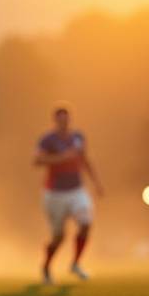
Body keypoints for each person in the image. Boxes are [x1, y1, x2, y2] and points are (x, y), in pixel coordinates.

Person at [34, 105, 103, 284]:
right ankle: (47, 267)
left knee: (86, 223)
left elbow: (84, 159)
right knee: (58, 236)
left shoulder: (78, 137)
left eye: (66, 118)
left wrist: (96, 182)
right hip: (54, 193)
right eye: (60, 119)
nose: (64, 122)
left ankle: (75, 263)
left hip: (76, 189)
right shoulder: (48, 140)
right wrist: (62, 157)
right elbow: (37, 160)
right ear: (55, 120)